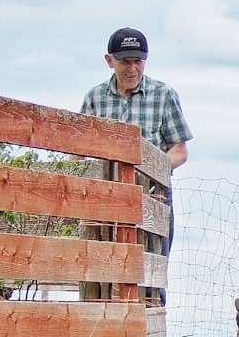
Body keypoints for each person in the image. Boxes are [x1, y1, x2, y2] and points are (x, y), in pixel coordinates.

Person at [80, 27, 193, 255]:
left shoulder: (164, 95)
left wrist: (146, 167)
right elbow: (79, 149)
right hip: (106, 195)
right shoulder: (95, 98)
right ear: (109, 61)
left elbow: (179, 150)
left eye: (138, 61)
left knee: (151, 270)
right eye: (125, 62)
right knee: (105, 265)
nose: (132, 69)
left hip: (152, 196)